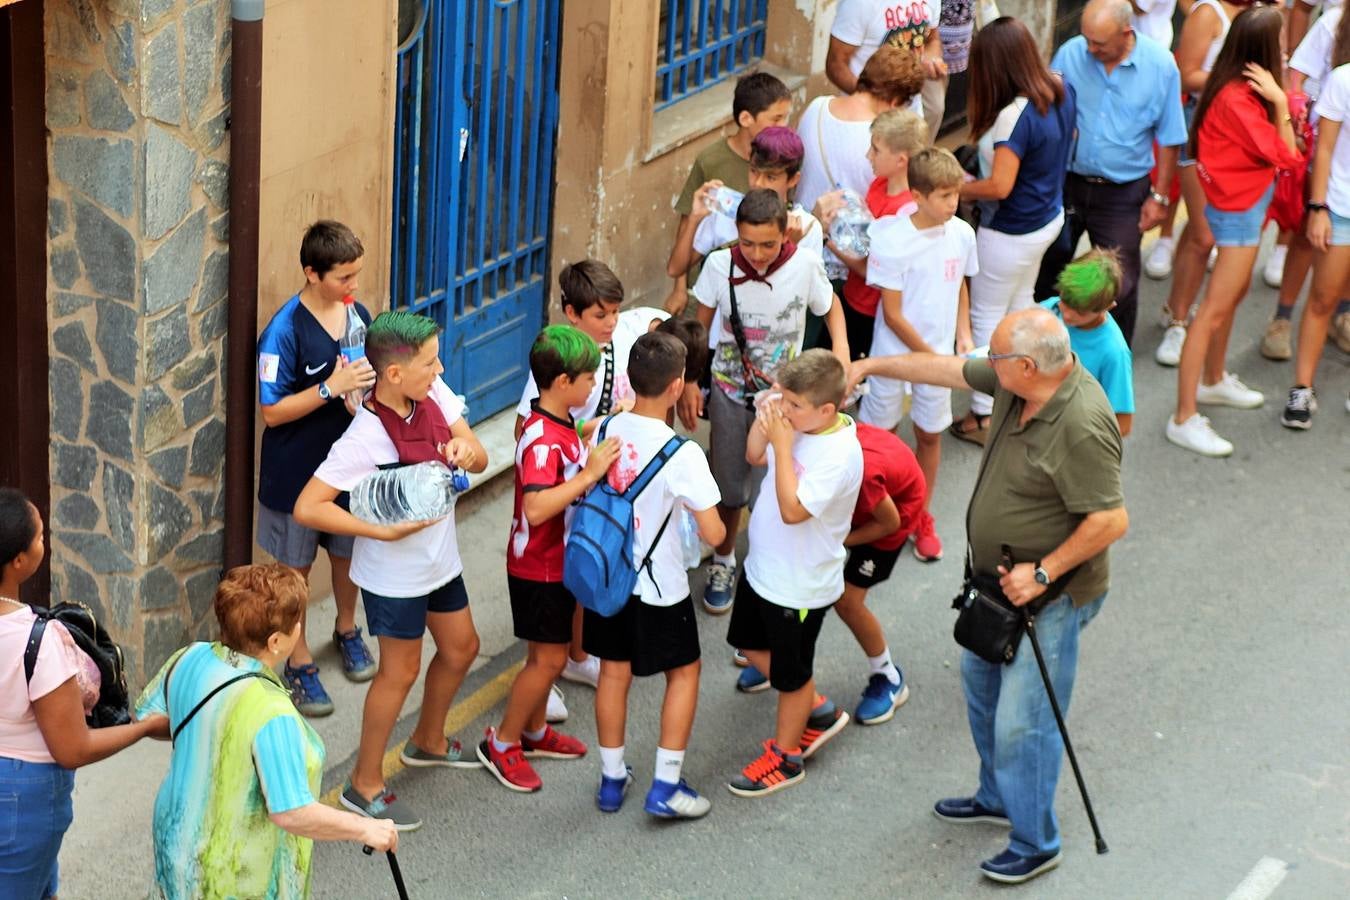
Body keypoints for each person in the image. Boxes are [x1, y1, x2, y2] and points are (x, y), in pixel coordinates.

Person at [849, 308, 1128, 885]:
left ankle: (1035, 840)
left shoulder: (1081, 422)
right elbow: (950, 368)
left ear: (1027, 366)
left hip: (1049, 599)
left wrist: (1044, 574)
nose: (986, 364)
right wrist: (872, 364)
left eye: (997, 358)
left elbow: (1110, 519)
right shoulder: (1016, 382)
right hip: (993, 588)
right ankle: (999, 796)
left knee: (1024, 723)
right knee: (981, 690)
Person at [293, 310, 489, 829]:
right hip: (394, 578)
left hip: (440, 562)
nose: (440, 367)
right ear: (394, 374)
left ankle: (426, 739)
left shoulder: (438, 396)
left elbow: (479, 455)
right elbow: (309, 506)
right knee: (398, 671)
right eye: (429, 361)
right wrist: (379, 533)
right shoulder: (363, 437)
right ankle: (363, 784)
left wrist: (467, 452)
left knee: (462, 647)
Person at [136, 564, 397, 899]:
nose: (300, 626)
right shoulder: (272, 713)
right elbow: (291, 811)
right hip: (233, 875)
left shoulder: (189, 657)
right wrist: (367, 828)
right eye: (297, 622)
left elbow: (150, 718)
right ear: (276, 641)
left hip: (177, 842)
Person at [586, 332, 727, 817]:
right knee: (684, 671)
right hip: (660, 587)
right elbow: (714, 532)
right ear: (676, 386)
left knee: (613, 671)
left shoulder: (606, 429)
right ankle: (666, 786)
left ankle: (611, 778)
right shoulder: (683, 455)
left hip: (610, 578)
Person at [0, 489, 167, 900]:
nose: (46, 540)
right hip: (26, 795)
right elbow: (72, 748)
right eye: (40, 537)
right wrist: (145, 728)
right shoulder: (38, 640)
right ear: (19, 561)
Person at [514, 261, 665, 710]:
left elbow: (664, 318)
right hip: (559, 495)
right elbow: (527, 430)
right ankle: (541, 685)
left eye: (616, 313)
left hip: (583, 490)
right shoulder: (556, 362)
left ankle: (576, 657)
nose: (612, 323)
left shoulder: (622, 335)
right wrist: (589, 437)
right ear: (571, 313)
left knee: (578, 579)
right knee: (547, 603)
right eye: (601, 315)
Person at [690, 190, 850, 614]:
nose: (758, 254)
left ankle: (762, 575)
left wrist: (843, 350)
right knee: (728, 488)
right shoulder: (719, 267)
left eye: (769, 244)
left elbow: (830, 306)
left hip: (784, 402)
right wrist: (691, 381)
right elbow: (699, 327)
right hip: (727, 392)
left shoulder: (805, 265)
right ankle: (723, 560)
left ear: (786, 235)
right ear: (735, 236)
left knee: (772, 491)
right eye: (748, 243)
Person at [479, 325, 613, 792]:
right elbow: (537, 507)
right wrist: (591, 472)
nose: (593, 384)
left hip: (553, 562)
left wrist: (590, 431)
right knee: (549, 661)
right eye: (588, 378)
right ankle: (503, 742)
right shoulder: (541, 441)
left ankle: (534, 732)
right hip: (540, 565)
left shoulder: (555, 423)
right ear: (562, 383)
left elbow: (564, 443)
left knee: (544, 657)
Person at [725, 350, 864, 797]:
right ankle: (816, 708)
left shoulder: (839, 454)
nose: (784, 410)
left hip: (799, 587)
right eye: (782, 398)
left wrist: (783, 446)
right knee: (748, 643)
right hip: (765, 569)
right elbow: (752, 454)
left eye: (793, 404)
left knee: (791, 675)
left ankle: (786, 758)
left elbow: (792, 510)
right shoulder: (798, 420)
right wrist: (766, 421)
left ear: (828, 409)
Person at [1166, 5, 1303, 457]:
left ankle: (1213, 380)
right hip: (1239, 216)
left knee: (1229, 302)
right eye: (1280, 46)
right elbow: (1289, 158)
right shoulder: (1240, 100)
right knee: (1211, 313)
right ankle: (1183, 416)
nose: (1285, 53)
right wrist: (1282, 102)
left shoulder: (1234, 89)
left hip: (1243, 210)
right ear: (1263, 51)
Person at [255, 219, 378, 716]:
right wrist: (330, 386)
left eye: (356, 275)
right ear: (311, 273)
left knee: (348, 556)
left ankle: (347, 629)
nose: (354, 286)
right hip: (294, 477)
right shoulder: (282, 331)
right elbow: (271, 412)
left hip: (348, 468)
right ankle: (298, 661)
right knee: (296, 572)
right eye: (344, 277)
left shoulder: (358, 315)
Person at [952, 15, 1077, 445]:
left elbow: (1000, 186)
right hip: (1047, 219)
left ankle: (985, 414)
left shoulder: (1011, 118)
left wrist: (962, 187)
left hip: (1008, 231)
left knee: (988, 315)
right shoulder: (1060, 85)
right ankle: (1025, 386)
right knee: (1022, 306)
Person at [1036, 0, 1188, 347]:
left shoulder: (1161, 65)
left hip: (1122, 192)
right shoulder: (1071, 53)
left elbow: (1170, 138)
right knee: (1050, 268)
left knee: (1120, 283)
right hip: (1068, 183)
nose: (1090, 49)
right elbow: (1048, 107)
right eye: (1087, 39)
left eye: (1099, 43)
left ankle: (1112, 363)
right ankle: (1044, 353)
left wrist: (1160, 197)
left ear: (1126, 32)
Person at [860, 147, 978, 564]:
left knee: (930, 435)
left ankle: (917, 515)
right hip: (896, 358)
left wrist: (963, 335)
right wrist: (935, 359)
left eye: (956, 195)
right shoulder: (891, 240)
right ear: (918, 195)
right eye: (945, 196)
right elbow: (892, 316)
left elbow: (961, 286)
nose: (954, 204)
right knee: (881, 438)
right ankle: (875, 513)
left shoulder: (962, 234)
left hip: (937, 360)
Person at [1153, 0, 1252, 368]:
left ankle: (1172, 306)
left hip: (1241, 133)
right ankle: (1179, 322)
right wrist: (1238, 82)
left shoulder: (1261, 14)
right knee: (1205, 235)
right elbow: (1186, 75)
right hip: (1202, 127)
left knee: (1200, 232)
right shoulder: (1208, 12)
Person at [665, 73, 792, 316]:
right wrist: (679, 288)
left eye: (785, 118)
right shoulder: (711, 160)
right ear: (746, 118)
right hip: (708, 285)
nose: (783, 126)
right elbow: (687, 225)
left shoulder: (782, 159)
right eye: (776, 119)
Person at [1266, 4, 1350, 361]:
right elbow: (1297, 74)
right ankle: (1282, 318)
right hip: (1323, 145)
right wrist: (1296, 119)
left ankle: (1341, 313)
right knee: (1306, 236)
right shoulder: (1335, 22)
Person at [818, 108, 930, 361]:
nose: (868, 155)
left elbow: (868, 269)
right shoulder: (880, 184)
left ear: (902, 160)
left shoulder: (904, 212)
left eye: (876, 150)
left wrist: (826, 237)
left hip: (869, 310)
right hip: (852, 296)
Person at [1286, 58, 1350, 428]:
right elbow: (1322, 149)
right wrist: (1318, 206)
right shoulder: (1342, 80)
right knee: (1324, 298)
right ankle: (1301, 388)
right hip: (1340, 206)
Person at [1040, 249, 1136, 436]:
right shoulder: (1051, 308)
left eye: (1080, 312)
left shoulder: (1114, 352)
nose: (1066, 314)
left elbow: (1122, 424)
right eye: (1065, 301)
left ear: (1109, 306)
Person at [826, 0, 946, 134]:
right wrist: (872, 102)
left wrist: (931, 59)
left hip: (911, 117)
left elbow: (932, 39)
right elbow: (835, 65)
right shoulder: (857, 4)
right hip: (867, 122)